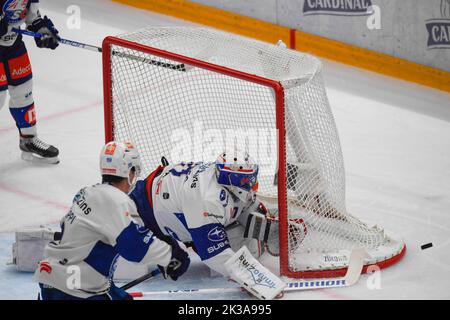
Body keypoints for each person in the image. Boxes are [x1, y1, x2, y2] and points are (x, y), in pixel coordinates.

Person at [34, 141, 190, 300]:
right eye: (134, 171)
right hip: (73, 288)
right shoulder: (116, 201)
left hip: (57, 277)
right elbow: (134, 246)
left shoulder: (88, 192)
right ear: (129, 171)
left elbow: (130, 236)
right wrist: (171, 256)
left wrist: (160, 252)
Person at [129, 151, 268, 278]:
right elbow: (216, 255)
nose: (252, 184)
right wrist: (255, 279)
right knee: (231, 254)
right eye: (246, 180)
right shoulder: (208, 199)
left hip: (165, 199)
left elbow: (246, 204)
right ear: (231, 180)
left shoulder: (220, 176)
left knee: (244, 220)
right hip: (143, 213)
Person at [0, 0, 60, 164]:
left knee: (23, 91)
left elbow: (31, 16)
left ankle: (29, 140)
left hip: (13, 45)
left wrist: (43, 30)